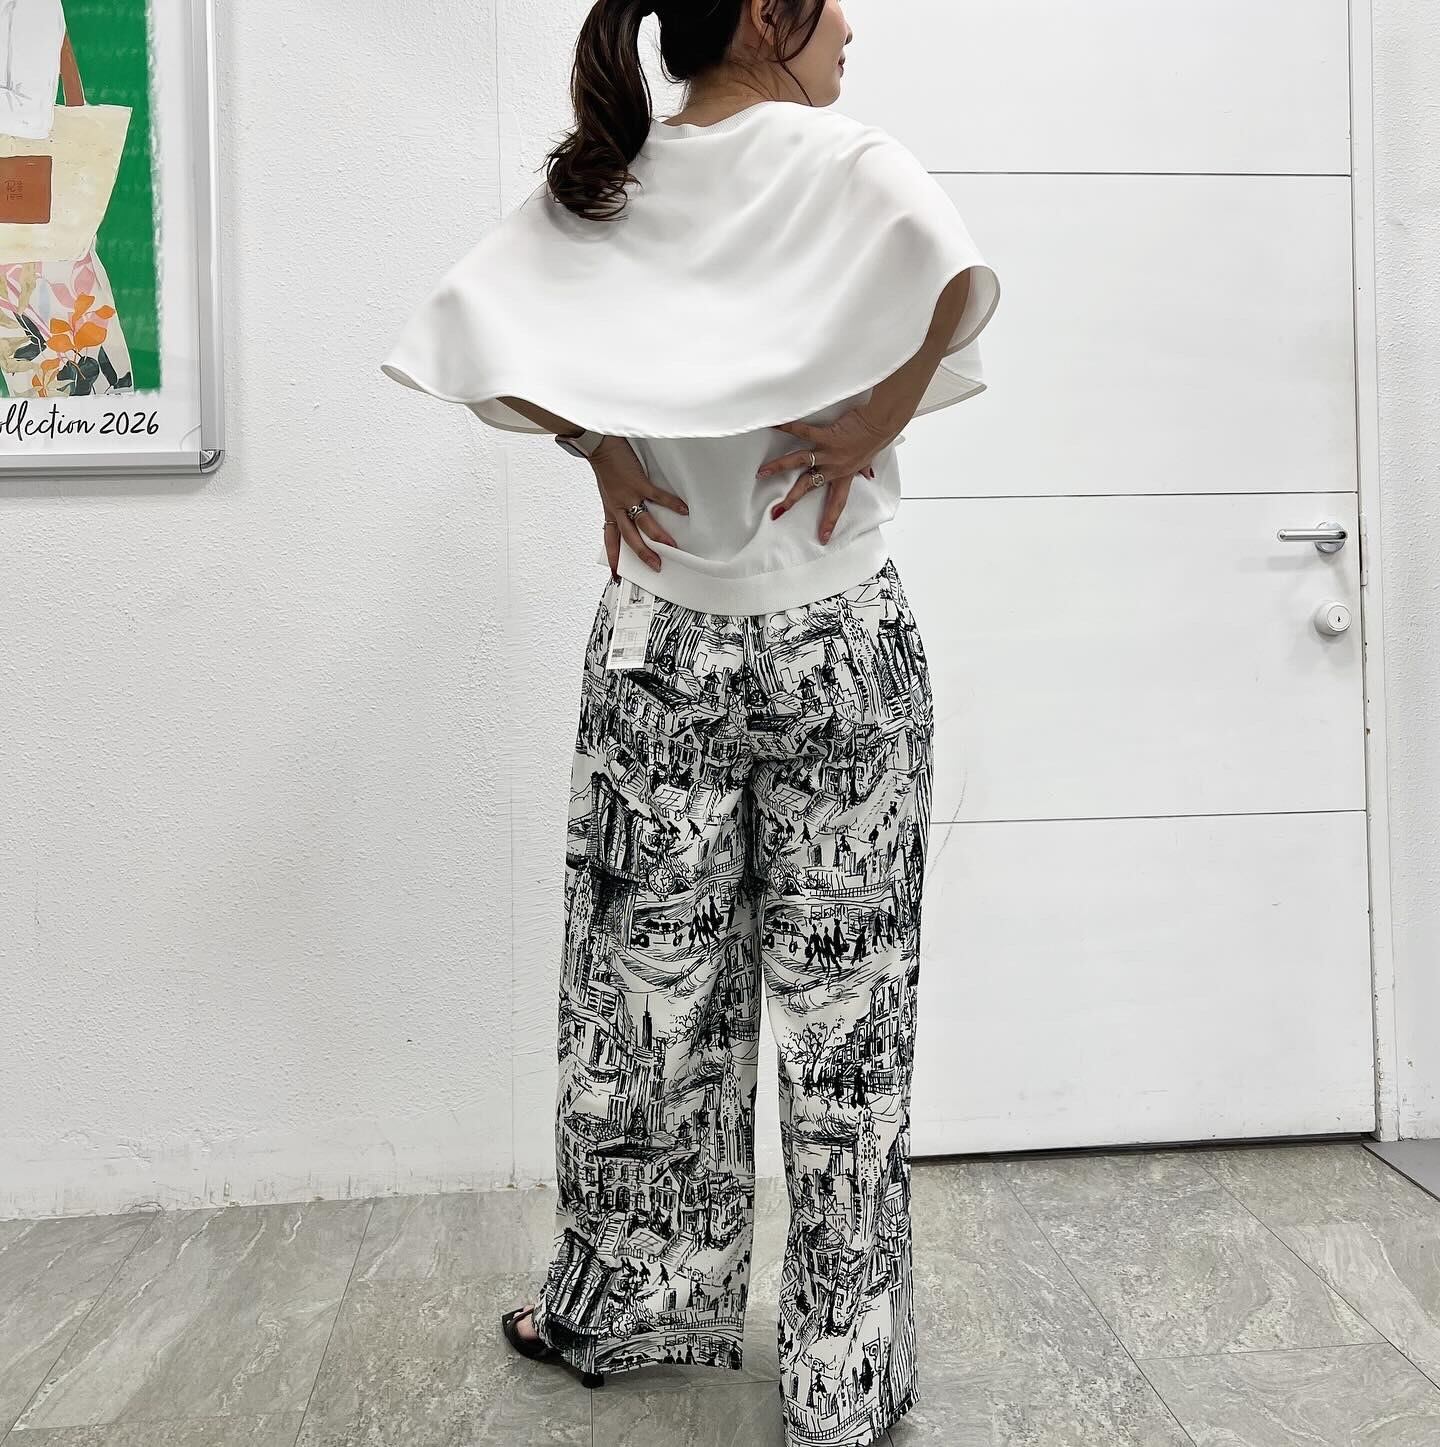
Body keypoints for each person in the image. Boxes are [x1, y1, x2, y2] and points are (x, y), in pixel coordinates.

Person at [379, 2, 1000, 1443]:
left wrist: (599, 442)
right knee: (850, 1025)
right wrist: (878, 418)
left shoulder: (613, 180)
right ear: (770, 13)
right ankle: (844, 1381)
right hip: (841, 639)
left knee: (643, 1009)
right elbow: (963, 279)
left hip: (663, 642)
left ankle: (624, 1308)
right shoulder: (847, 162)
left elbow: (465, 334)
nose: (852, 23)